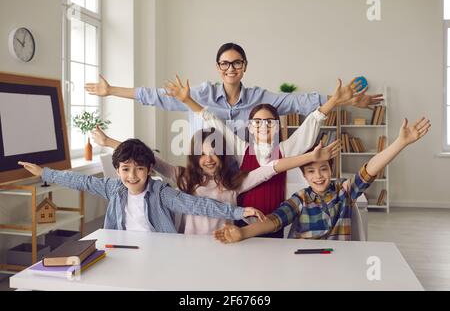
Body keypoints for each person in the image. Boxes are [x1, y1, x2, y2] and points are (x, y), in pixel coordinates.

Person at [163, 75, 362, 238]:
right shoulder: (242, 149)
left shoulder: (285, 150)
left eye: (269, 122)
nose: (263, 126)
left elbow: (311, 123)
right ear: (250, 127)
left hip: (273, 223)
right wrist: (187, 100)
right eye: (258, 122)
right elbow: (214, 122)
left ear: (277, 127)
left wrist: (333, 101)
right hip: (242, 224)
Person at [213, 117, 431, 242]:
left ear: (331, 170)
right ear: (304, 175)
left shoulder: (344, 193)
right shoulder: (300, 199)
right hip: (303, 263)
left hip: (339, 261)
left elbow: (370, 169)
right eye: (311, 172)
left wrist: (400, 143)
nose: (318, 176)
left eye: (324, 169)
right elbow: (273, 221)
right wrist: (242, 232)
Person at [84, 42, 383, 133]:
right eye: (225, 64)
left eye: (236, 63)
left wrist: (348, 100)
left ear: (245, 67)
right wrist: (111, 91)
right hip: (207, 169)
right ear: (218, 68)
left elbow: (301, 102)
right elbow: (153, 97)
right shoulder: (198, 94)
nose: (231, 69)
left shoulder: (259, 98)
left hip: (245, 169)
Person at [91, 127, 340, 235]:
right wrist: (110, 141)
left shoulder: (235, 181)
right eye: (201, 154)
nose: (208, 159)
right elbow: (147, 157)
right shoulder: (184, 177)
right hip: (187, 245)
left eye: (213, 153)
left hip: (223, 243)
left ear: (222, 155)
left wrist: (309, 156)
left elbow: (271, 168)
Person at [18, 139, 265, 232]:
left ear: (149, 170)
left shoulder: (162, 193)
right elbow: (81, 181)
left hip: (158, 250)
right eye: (125, 169)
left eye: (139, 169)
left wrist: (238, 212)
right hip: (120, 247)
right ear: (117, 171)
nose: (132, 176)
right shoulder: (113, 189)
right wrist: (45, 173)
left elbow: (198, 204)